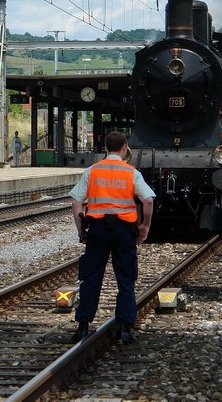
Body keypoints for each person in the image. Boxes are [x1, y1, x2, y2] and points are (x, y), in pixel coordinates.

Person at [68, 131, 155, 344]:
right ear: (125, 147)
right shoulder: (131, 172)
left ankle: (83, 326)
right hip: (124, 231)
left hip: (97, 230)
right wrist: (145, 227)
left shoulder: (92, 171)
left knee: (90, 277)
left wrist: (82, 231)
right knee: (125, 278)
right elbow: (149, 201)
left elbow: (76, 202)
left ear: (106, 148)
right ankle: (125, 328)